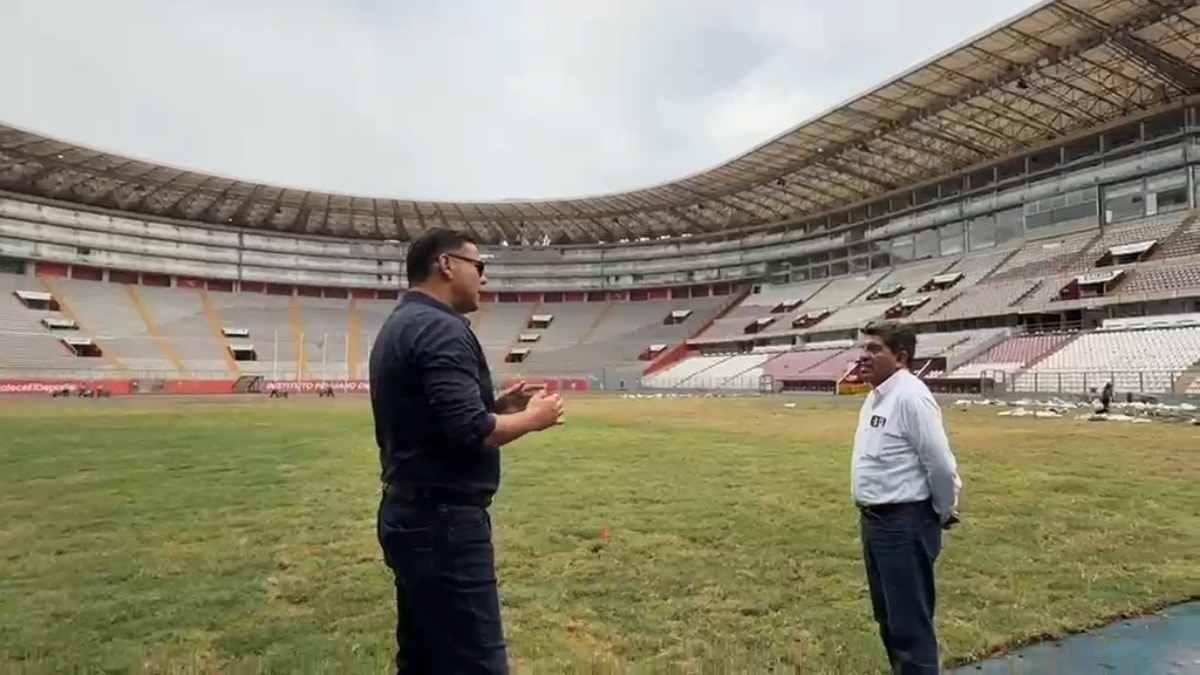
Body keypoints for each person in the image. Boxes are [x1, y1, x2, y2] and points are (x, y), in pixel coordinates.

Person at [369, 228, 565, 674]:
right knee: (478, 663)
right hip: (444, 526)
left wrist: (498, 408)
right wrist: (536, 417)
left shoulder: (402, 322)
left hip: (409, 515)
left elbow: (435, 422)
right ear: (447, 264)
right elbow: (473, 431)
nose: (484, 278)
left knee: (423, 658)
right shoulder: (439, 328)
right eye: (480, 266)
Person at [851, 321, 962, 675]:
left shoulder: (911, 396)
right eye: (863, 348)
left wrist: (944, 510)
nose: (863, 356)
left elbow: (941, 465)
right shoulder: (876, 396)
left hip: (904, 523)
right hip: (875, 523)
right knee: (889, 621)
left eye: (874, 349)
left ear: (900, 358)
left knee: (910, 628)